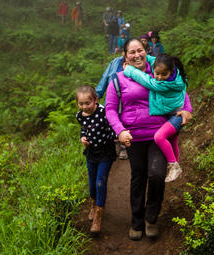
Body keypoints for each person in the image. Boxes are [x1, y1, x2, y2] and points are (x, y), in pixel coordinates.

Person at [105, 39, 193, 240]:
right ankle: (136, 221)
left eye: (140, 50)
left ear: (147, 52)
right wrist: (119, 131)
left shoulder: (159, 71)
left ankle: (151, 218)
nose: (136, 55)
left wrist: (187, 111)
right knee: (138, 177)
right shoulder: (118, 79)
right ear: (125, 56)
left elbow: (180, 90)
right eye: (131, 52)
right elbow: (110, 109)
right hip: (133, 137)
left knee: (156, 174)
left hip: (159, 133)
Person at [123, 54, 187, 182]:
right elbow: (154, 60)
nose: (159, 77)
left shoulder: (165, 84)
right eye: (157, 73)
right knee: (173, 140)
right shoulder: (175, 72)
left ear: (171, 70)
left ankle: (173, 165)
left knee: (159, 137)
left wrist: (129, 70)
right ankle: (175, 165)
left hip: (176, 116)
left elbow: (145, 79)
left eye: (164, 74)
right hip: (173, 113)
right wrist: (142, 54)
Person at [76, 85, 116, 233]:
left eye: (88, 103)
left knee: (100, 182)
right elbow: (83, 129)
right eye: (81, 103)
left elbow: (112, 125)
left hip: (106, 152)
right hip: (91, 153)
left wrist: (118, 136)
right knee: (92, 182)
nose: (84, 107)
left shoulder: (103, 112)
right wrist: (83, 138)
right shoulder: (80, 116)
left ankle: (99, 216)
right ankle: (93, 205)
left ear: (95, 100)